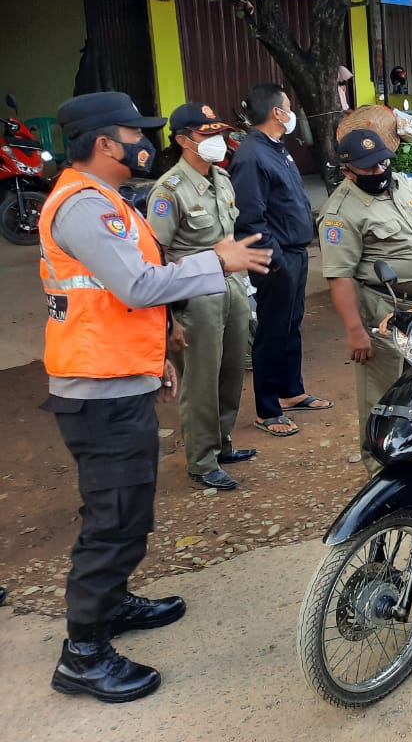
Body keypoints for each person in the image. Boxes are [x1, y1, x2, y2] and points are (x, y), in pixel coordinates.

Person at [41, 92, 271, 702]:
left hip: (116, 378)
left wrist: (157, 356)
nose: (146, 140)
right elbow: (139, 284)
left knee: (126, 510)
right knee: (114, 521)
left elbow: (117, 298)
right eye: (134, 132)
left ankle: (110, 605)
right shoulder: (86, 206)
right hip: (96, 391)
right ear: (104, 143)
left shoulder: (105, 200)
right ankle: (83, 654)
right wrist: (217, 260)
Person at [318, 128, 412, 474]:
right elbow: (339, 275)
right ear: (347, 171)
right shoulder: (340, 212)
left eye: (382, 163)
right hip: (382, 309)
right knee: (382, 395)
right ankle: (379, 471)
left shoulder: (399, 185)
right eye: (369, 169)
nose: (379, 172)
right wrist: (355, 331)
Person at [147, 104, 254, 491]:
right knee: (200, 379)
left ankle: (222, 443)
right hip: (193, 297)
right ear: (183, 140)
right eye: (207, 136)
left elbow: (227, 236)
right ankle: (201, 459)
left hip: (231, 288)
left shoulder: (221, 178)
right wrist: (170, 319)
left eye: (218, 134)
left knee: (229, 372)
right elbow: (155, 256)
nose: (218, 142)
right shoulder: (169, 191)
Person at [231, 83, 332, 437]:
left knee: (291, 325)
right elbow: (248, 219)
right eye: (288, 107)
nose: (291, 113)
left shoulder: (277, 149)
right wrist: (274, 260)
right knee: (272, 331)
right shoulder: (251, 155)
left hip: (296, 252)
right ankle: (267, 408)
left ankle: (291, 392)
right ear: (277, 112)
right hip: (276, 257)